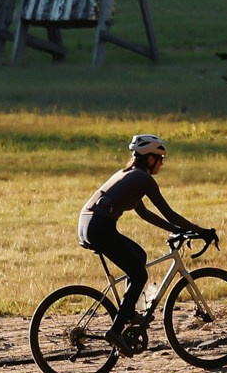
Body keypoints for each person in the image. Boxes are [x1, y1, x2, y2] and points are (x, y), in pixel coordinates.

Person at [79, 133, 213, 352]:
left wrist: (177, 231)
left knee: (139, 257)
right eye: (161, 158)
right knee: (140, 274)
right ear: (150, 159)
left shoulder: (128, 175)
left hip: (89, 223)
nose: (162, 163)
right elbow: (167, 212)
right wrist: (200, 231)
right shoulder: (143, 179)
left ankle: (129, 313)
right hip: (99, 226)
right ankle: (116, 330)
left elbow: (145, 213)